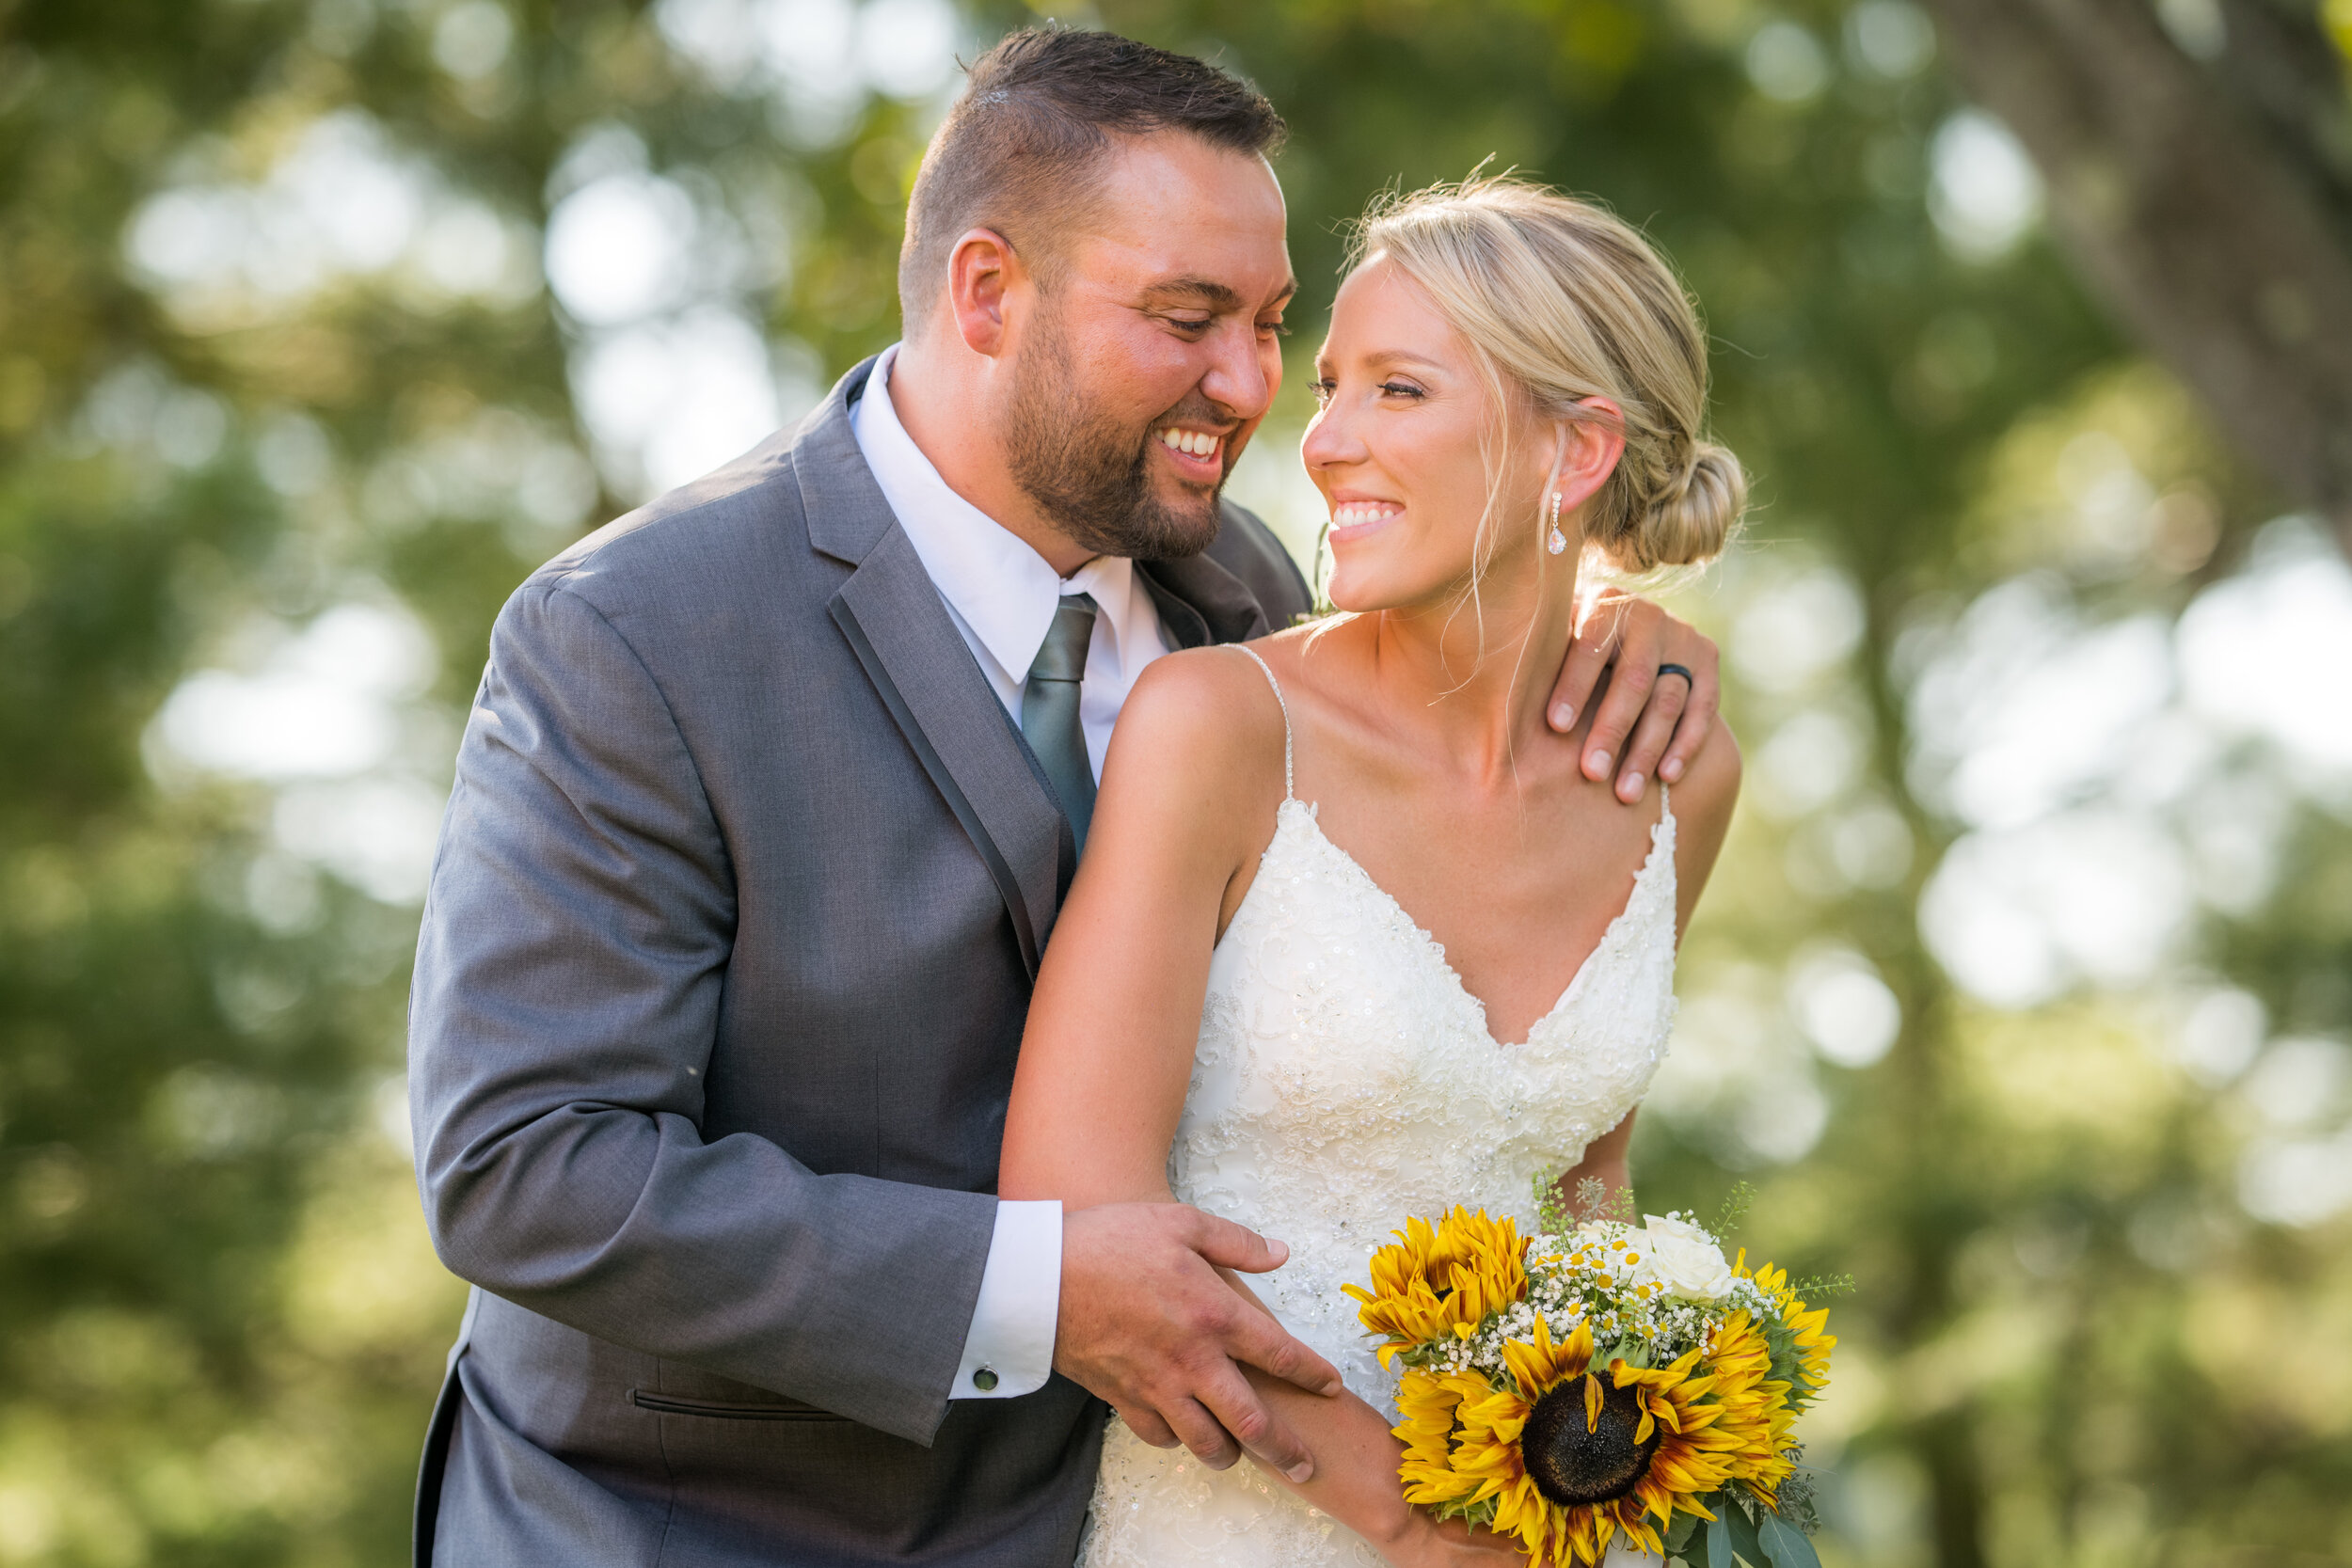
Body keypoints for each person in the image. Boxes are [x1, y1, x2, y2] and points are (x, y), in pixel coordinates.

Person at [405, 29, 1724, 1568]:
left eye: (1270, 324)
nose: (1252, 391)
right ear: (986, 292)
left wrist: (1622, 622)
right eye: (1188, 319)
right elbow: (524, 1168)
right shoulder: (637, 631)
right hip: (687, 1524)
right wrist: (1033, 1289)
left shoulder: (1246, 590)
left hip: (1107, 1517)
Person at [999, 174, 1744, 1567]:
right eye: (1330, 386)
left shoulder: (1678, 773)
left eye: (1397, 393)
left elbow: (1583, 1185)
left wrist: (1632, 1452)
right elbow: (1075, 1204)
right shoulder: (1218, 726)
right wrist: (1405, 1515)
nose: (1323, 441)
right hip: (1241, 1522)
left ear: (1573, 455)